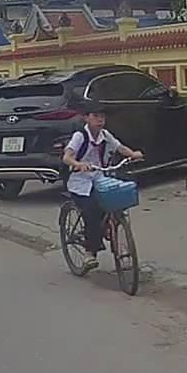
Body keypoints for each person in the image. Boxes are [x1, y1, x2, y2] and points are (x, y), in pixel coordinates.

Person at [61, 103, 144, 271]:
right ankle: (89, 253)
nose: (100, 120)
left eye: (102, 117)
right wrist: (78, 164)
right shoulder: (80, 136)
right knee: (92, 211)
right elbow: (67, 157)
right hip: (80, 183)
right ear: (87, 118)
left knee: (116, 198)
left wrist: (133, 154)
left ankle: (111, 230)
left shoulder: (105, 135)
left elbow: (119, 147)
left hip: (99, 178)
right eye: (95, 116)